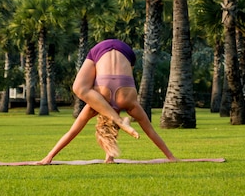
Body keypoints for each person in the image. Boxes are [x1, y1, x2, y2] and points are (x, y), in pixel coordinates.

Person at [38, 39, 178, 164]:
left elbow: (151, 132)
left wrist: (49, 157)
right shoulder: (95, 106)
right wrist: (171, 157)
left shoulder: (128, 105)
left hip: (127, 53)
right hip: (102, 50)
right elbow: (72, 132)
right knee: (78, 88)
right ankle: (117, 125)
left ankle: (119, 122)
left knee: (80, 88)